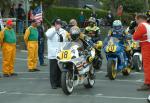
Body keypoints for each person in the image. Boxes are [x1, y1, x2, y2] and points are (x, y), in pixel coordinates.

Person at [45, 18, 68, 89]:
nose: (58, 25)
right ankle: (53, 84)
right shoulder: (50, 30)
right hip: (53, 54)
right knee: (53, 70)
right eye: (57, 23)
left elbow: (66, 38)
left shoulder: (63, 31)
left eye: (59, 23)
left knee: (60, 70)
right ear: (54, 24)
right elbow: (48, 35)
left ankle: (59, 83)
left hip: (61, 53)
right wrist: (55, 30)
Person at [133, 14, 150, 91]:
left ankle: (147, 83)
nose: (136, 21)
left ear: (139, 19)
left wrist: (136, 30)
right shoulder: (147, 25)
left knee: (147, 65)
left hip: (146, 45)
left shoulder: (141, 25)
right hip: (147, 44)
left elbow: (135, 37)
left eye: (136, 20)